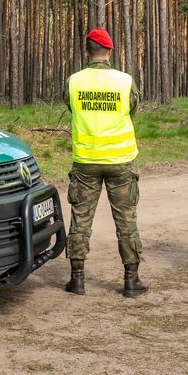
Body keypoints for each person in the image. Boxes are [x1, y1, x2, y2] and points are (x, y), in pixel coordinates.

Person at [64, 27, 147, 298]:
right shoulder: (124, 81)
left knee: (81, 220)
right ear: (109, 52)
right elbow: (133, 109)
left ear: (87, 51)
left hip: (86, 160)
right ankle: (131, 281)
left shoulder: (74, 81)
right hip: (120, 160)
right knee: (126, 220)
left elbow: (70, 107)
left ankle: (77, 280)